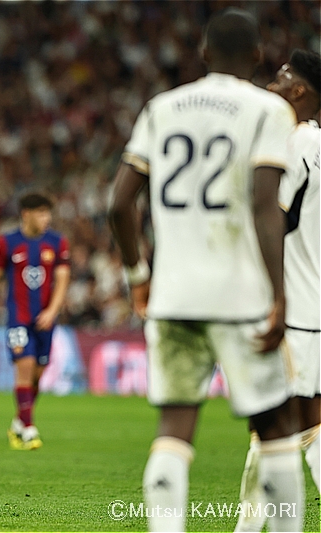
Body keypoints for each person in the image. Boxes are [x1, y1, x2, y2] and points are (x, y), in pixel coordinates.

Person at [107, 9, 304, 532]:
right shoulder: (268, 109)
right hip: (240, 295)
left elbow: (119, 204)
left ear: (203, 53)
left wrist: (138, 277)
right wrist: (279, 294)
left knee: (174, 427)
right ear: (258, 55)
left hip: (173, 296)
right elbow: (264, 205)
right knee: (275, 426)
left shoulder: (161, 108)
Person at [235, 48, 321, 533]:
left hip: (295, 308)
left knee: (277, 426)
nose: (274, 82)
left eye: (283, 76)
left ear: (301, 90)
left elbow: (274, 217)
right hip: (314, 307)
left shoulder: (296, 141)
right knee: (306, 424)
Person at [0, 192, 71, 450]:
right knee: (26, 366)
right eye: (41, 213)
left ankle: (19, 422)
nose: (46, 218)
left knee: (37, 376)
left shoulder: (57, 242)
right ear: (26, 214)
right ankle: (29, 429)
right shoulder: (7, 242)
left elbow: (63, 279)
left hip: (45, 320)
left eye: (48, 213)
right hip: (17, 319)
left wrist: (52, 311)